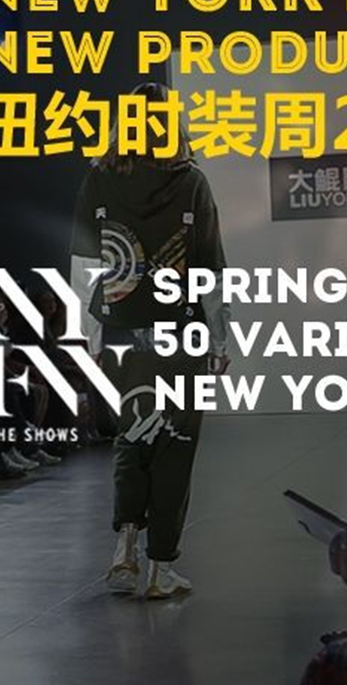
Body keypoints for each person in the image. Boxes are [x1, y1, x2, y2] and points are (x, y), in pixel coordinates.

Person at [72, 82, 226, 602]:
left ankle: (124, 547)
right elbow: (209, 269)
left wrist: (90, 338)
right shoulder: (192, 182)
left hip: (121, 336)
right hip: (182, 336)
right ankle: (161, 567)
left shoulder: (99, 177)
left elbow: (84, 266)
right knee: (174, 446)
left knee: (132, 435)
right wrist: (220, 338)